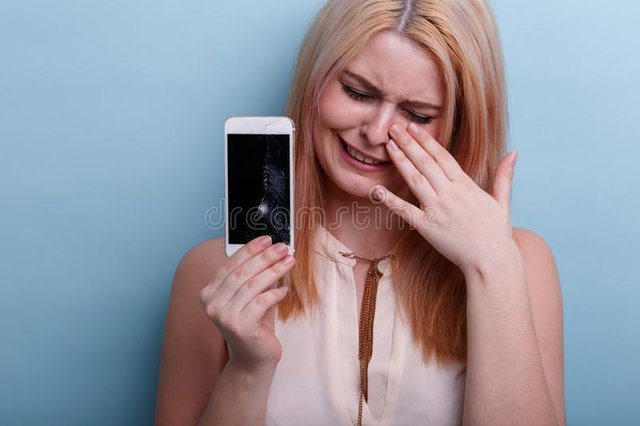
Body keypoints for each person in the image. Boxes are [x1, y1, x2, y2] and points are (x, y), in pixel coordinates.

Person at [155, 0, 565, 424]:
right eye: (357, 92)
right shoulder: (215, 273)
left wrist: (492, 269)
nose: (374, 132)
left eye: (416, 114)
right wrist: (247, 369)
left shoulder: (520, 265)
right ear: (315, 82)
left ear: (459, 127)